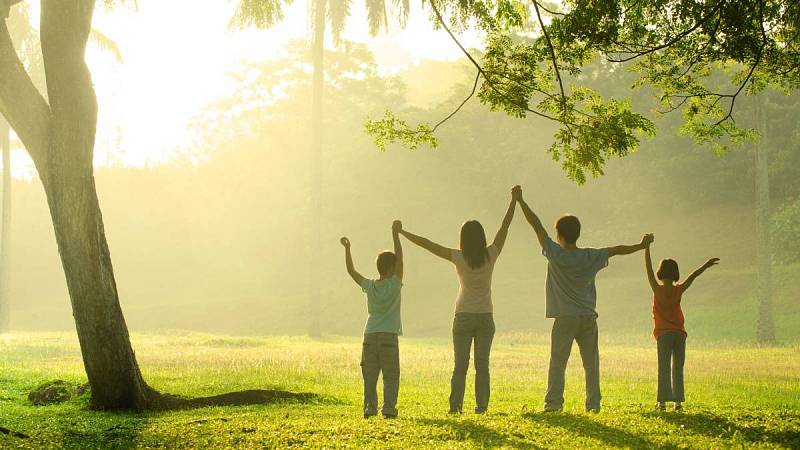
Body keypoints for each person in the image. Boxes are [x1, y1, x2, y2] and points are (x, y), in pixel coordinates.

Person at [513, 185, 653, 413]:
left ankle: (553, 404)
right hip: (588, 316)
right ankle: (593, 405)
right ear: (577, 233)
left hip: (565, 318)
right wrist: (641, 245)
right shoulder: (590, 256)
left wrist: (520, 201)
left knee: (558, 362)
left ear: (558, 234)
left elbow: (536, 225)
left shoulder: (555, 253)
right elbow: (616, 249)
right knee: (591, 364)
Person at [397, 189, 516, 414]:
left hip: (462, 316)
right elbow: (505, 226)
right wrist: (514, 201)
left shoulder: (458, 257)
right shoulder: (491, 254)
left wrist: (402, 232)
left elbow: (427, 244)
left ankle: (455, 408)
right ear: (482, 237)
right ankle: (481, 408)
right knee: (482, 366)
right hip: (485, 317)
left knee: (460, 366)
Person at [644, 241, 719, 411]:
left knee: (663, 367)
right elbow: (692, 276)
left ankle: (662, 403)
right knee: (678, 367)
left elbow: (648, 269)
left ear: (660, 273)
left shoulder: (656, 288)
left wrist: (646, 248)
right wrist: (706, 265)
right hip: (679, 333)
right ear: (676, 273)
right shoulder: (679, 289)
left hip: (664, 334)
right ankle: (678, 403)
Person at [340, 220, 404, 419]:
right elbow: (401, 258)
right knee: (390, 375)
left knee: (369, 376)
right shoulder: (395, 284)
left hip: (369, 334)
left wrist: (347, 249)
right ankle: (389, 409)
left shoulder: (370, 285)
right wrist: (396, 234)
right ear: (393, 267)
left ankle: (369, 408)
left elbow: (351, 272)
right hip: (388, 336)